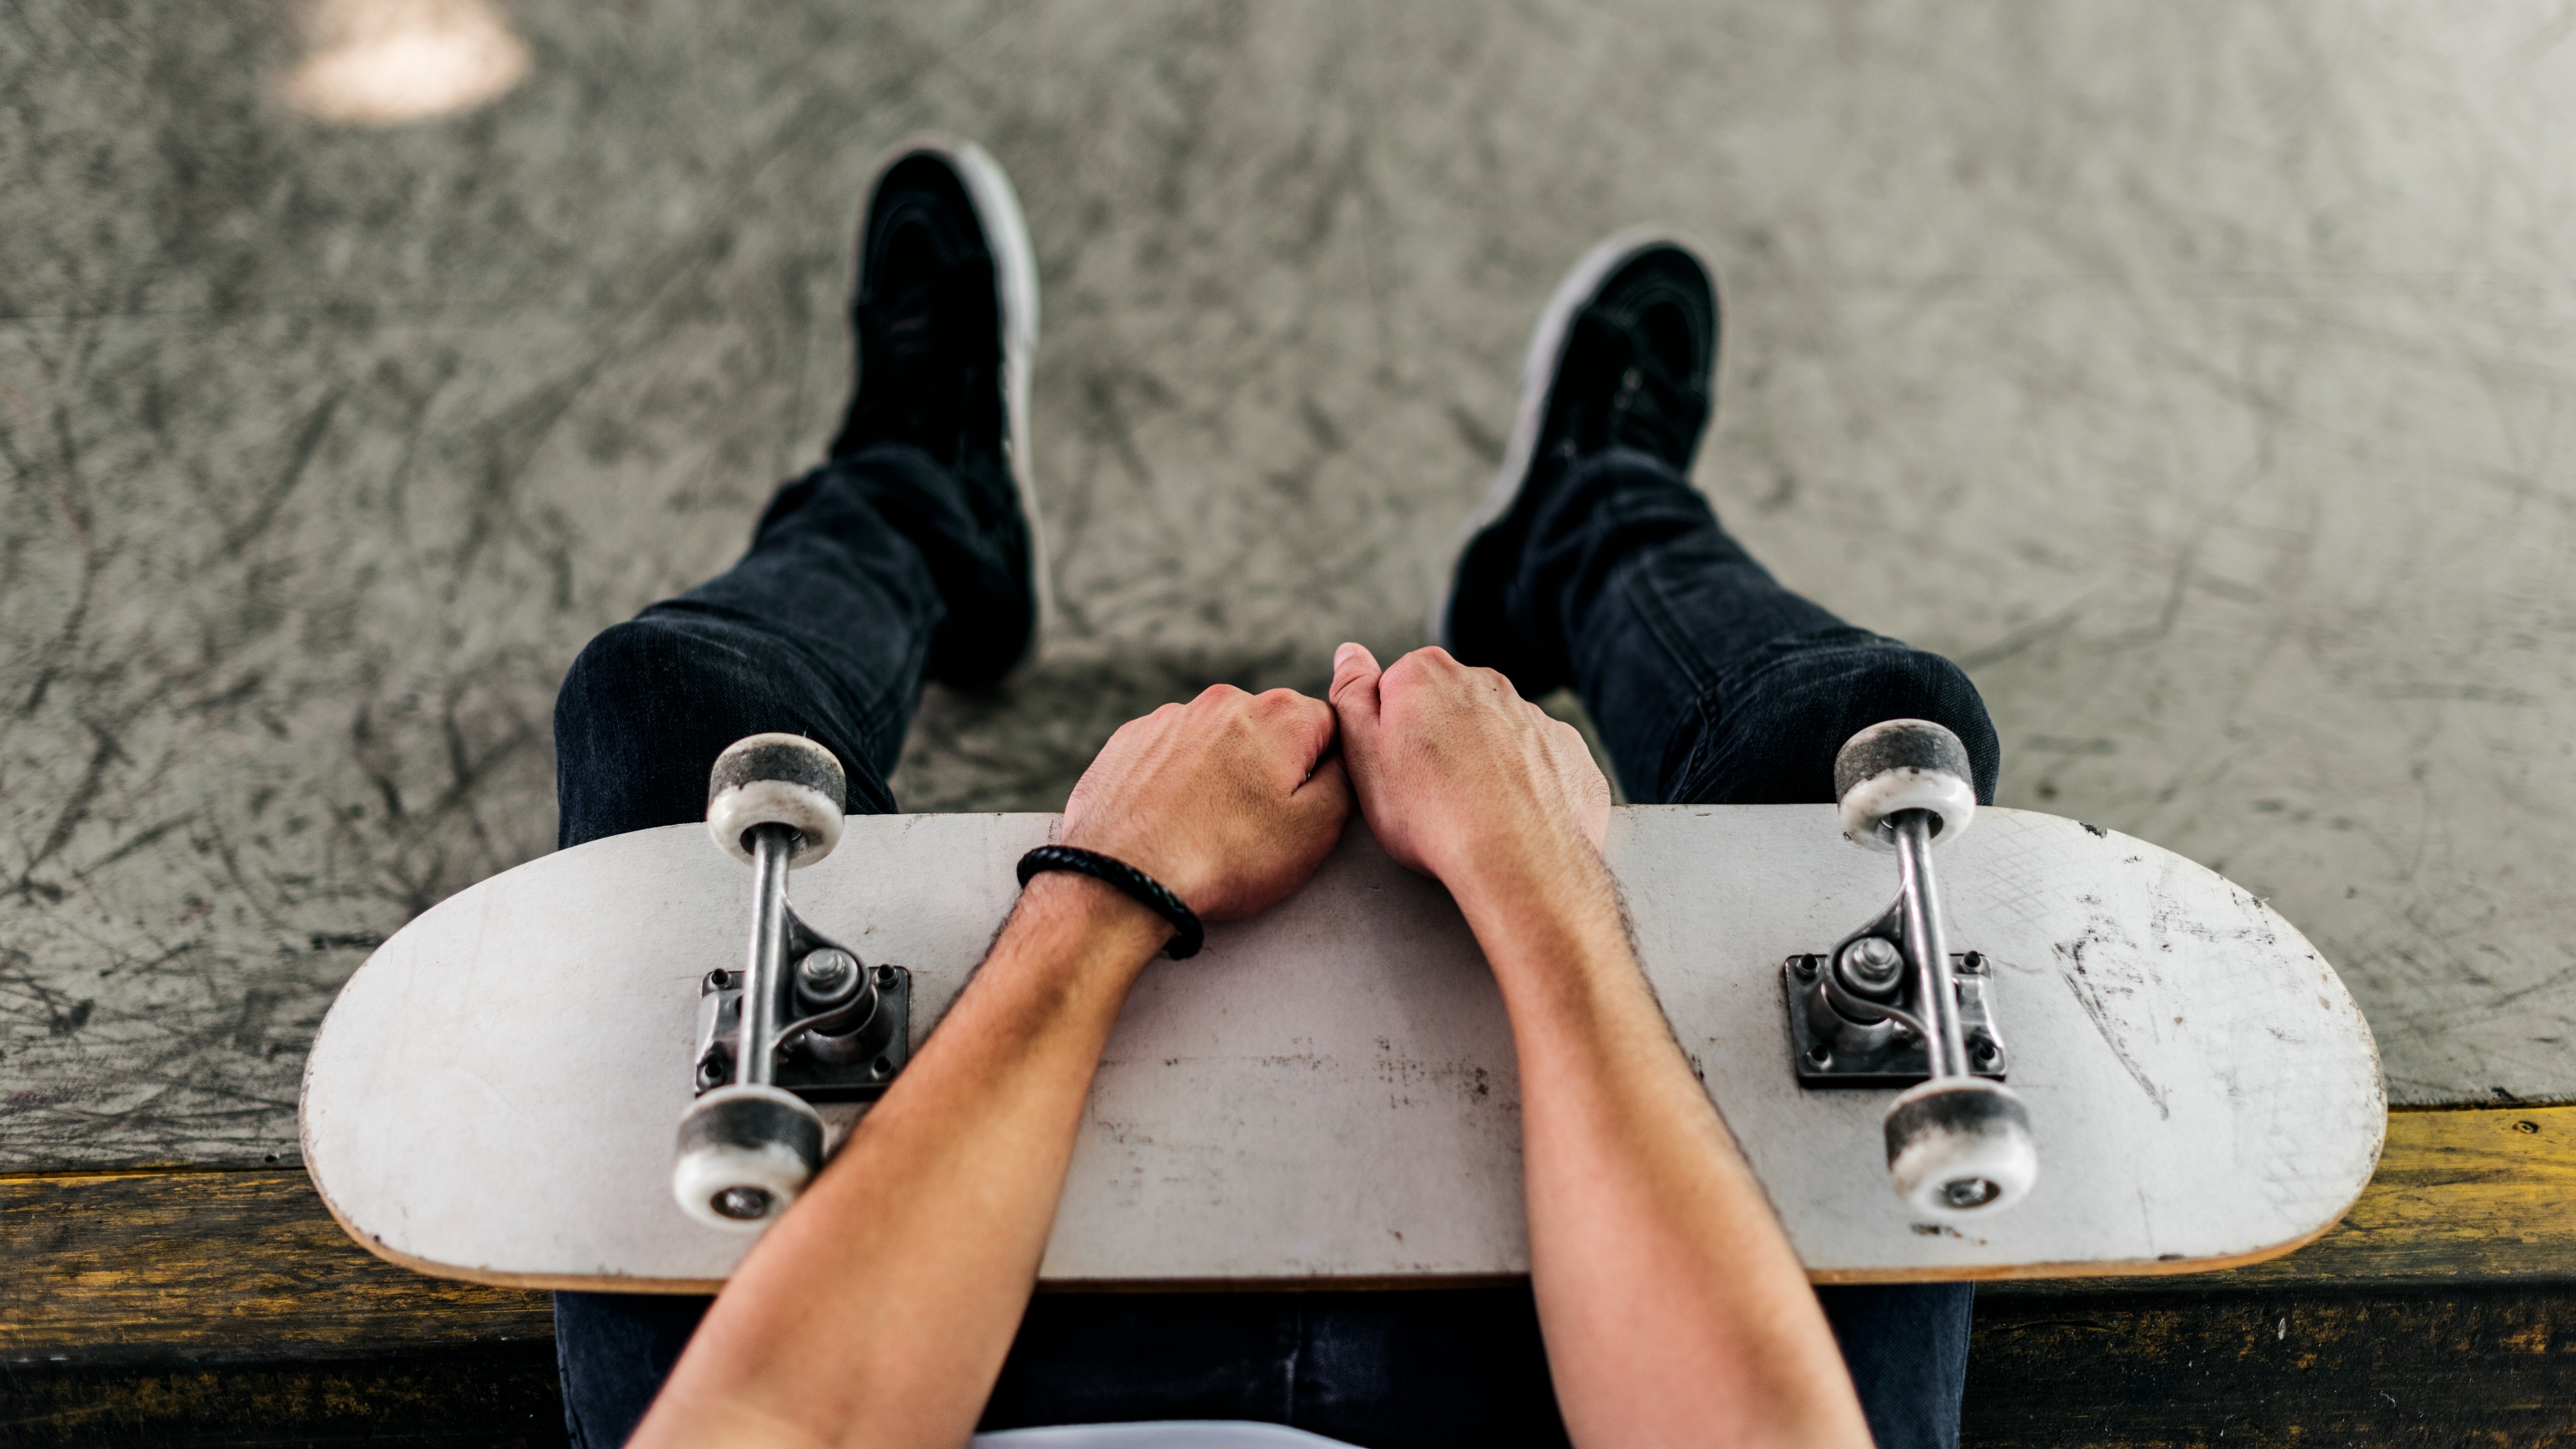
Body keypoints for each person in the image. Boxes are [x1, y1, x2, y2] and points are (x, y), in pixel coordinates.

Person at [550, 136, 2000, 1449]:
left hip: (942, 1380)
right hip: (1563, 1391)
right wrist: (1532, 870)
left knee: (674, 701)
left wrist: (1107, 886)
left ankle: (915, 498)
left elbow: (773, 1419)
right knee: (1875, 730)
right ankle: (1594, 521)